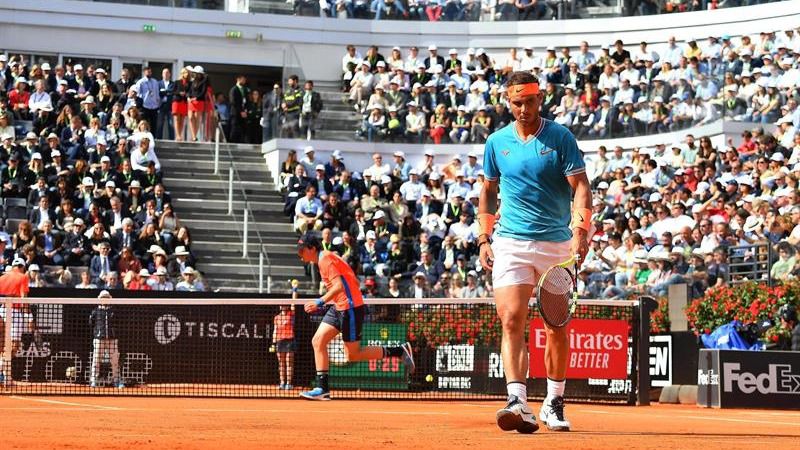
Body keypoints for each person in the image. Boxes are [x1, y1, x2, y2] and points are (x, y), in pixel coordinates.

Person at [478, 71, 590, 433]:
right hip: (510, 242)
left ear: (540, 99)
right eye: (517, 102)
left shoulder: (561, 137)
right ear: (508, 103)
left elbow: (581, 186)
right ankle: (517, 401)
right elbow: (488, 192)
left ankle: (554, 402)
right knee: (511, 319)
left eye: (529, 101)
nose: (524, 108)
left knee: (556, 325)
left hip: (556, 246)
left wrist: (580, 232)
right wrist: (483, 237)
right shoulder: (496, 142)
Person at [296, 234, 415, 400]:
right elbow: (351, 281)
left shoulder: (325, 260)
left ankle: (398, 350)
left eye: (302, 250)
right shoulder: (326, 259)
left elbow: (338, 286)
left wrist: (319, 302)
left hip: (350, 309)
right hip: (338, 307)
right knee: (318, 341)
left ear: (312, 248)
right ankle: (322, 388)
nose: (300, 254)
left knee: (353, 355)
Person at [0, 258, 33, 383]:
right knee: (14, 346)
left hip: (1, 312)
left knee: (3, 346)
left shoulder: (2, 278)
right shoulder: (23, 277)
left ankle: (5, 375)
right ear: (22, 267)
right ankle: (2, 372)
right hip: (14, 313)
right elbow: (24, 299)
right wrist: (30, 318)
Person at [89, 290, 124, 388]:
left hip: (112, 340)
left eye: (107, 297)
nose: (105, 299)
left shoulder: (114, 311)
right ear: (100, 299)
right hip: (99, 339)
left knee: (115, 360)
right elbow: (91, 323)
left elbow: (119, 323)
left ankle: (116, 380)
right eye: (103, 297)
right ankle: (93, 380)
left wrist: (113, 333)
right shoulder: (95, 311)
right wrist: (98, 333)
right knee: (96, 360)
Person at [272, 280, 298, 390]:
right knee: (281, 364)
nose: (283, 306)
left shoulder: (291, 314)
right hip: (279, 341)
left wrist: (294, 289)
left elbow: (294, 302)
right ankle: (282, 382)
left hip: (289, 341)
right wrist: (273, 342)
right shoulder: (277, 317)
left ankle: (289, 383)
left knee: (289, 363)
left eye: (284, 304)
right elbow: (275, 330)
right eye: (281, 304)